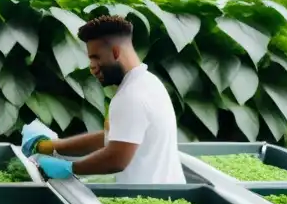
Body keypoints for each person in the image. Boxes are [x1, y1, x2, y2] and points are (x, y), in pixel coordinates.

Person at [22, 14, 185, 184]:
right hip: (168, 190)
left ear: (115, 52)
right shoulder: (149, 81)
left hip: (150, 199)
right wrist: (53, 146)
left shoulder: (130, 97)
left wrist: (70, 168)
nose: (92, 67)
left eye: (96, 58)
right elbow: (114, 137)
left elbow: (115, 160)